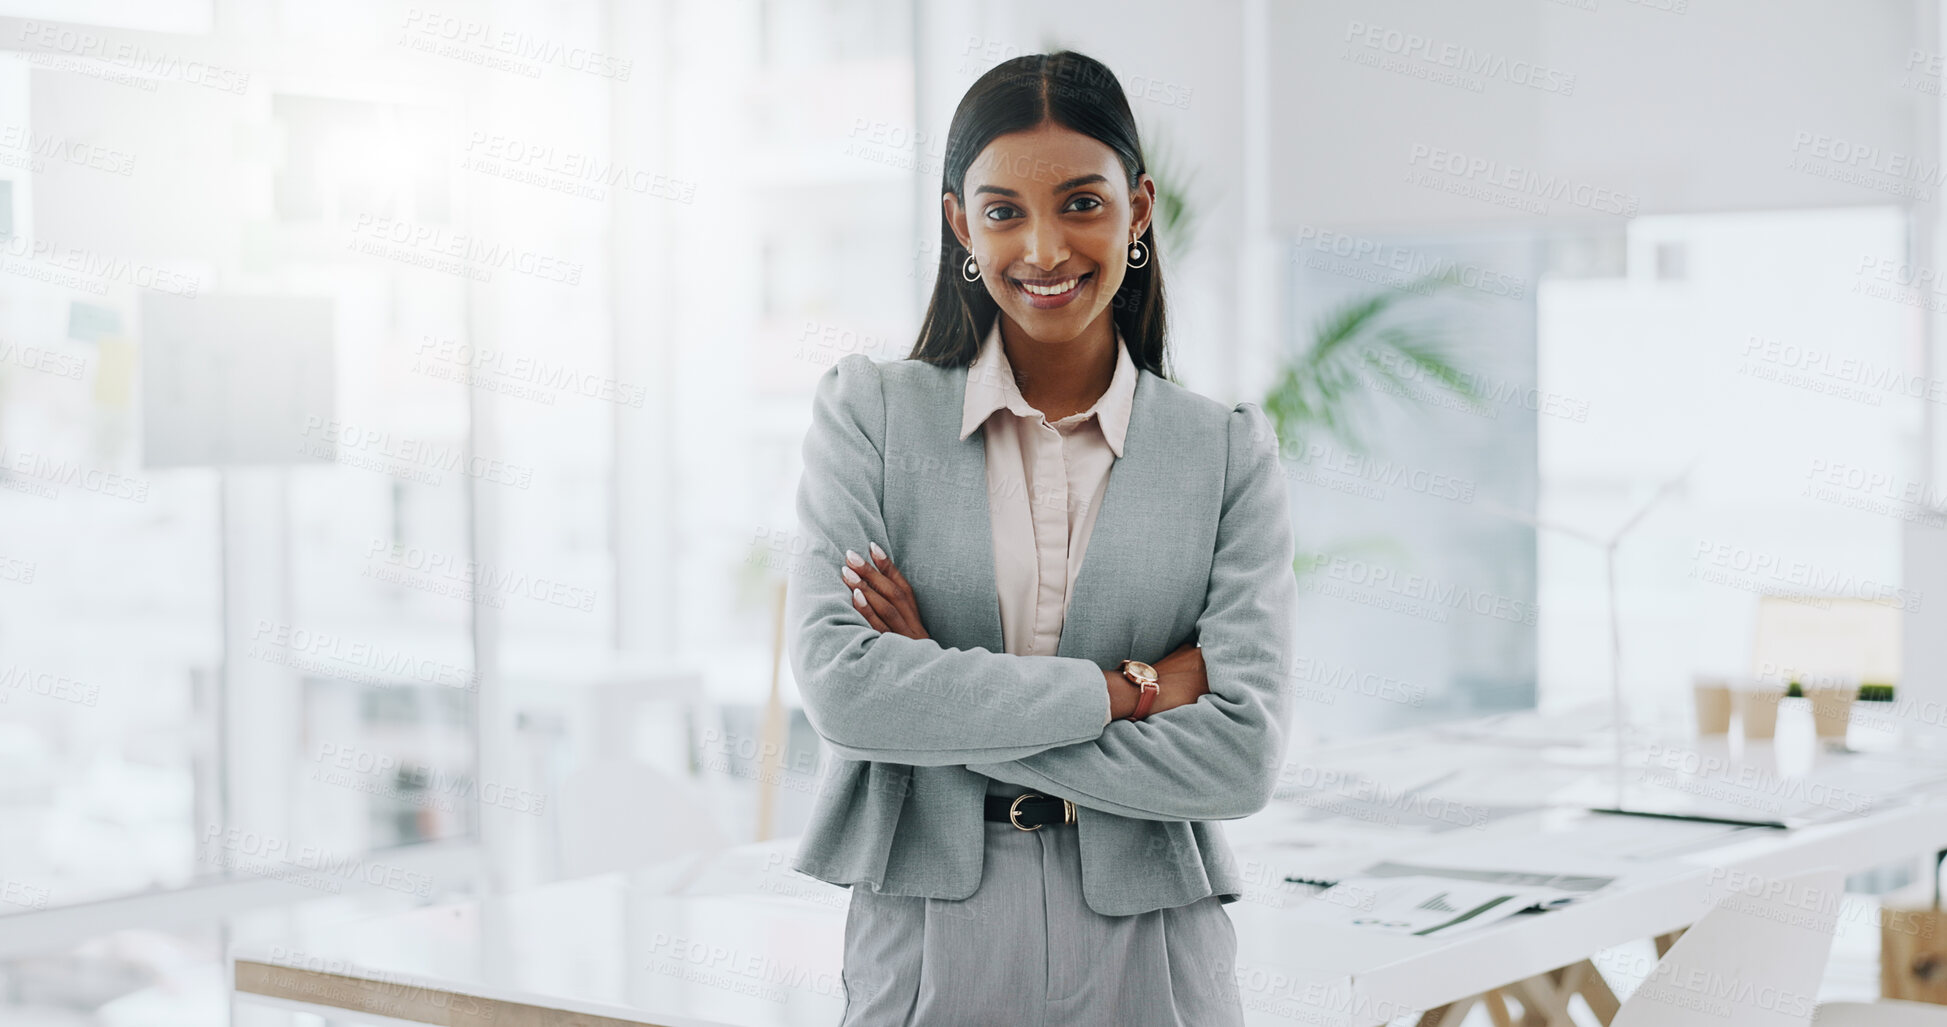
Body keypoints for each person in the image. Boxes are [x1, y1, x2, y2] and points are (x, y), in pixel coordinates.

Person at [786, 49, 1297, 1026]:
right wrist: (1129, 692)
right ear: (959, 225)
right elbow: (846, 689)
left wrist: (936, 689)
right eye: (1005, 211)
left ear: (1138, 209)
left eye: (1081, 203)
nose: (1046, 248)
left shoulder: (1225, 450)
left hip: (1151, 936)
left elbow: (1237, 757)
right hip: (930, 926)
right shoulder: (871, 415)